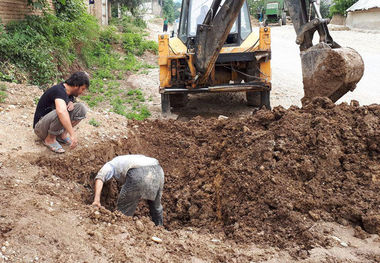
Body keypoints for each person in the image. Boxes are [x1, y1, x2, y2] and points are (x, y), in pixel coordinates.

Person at [92, 155, 165, 226]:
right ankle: (159, 228)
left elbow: (100, 178)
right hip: (158, 170)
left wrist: (96, 200)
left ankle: (121, 228)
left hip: (138, 173)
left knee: (123, 212)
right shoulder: (125, 160)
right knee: (156, 206)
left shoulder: (110, 165)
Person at [33, 71, 89, 153]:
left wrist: (71, 103)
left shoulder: (69, 94)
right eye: (82, 89)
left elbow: (67, 106)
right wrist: (72, 134)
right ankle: (50, 139)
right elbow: (61, 111)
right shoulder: (58, 90)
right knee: (62, 112)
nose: (82, 92)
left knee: (81, 108)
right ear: (76, 85)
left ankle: (62, 135)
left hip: (50, 126)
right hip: (40, 128)